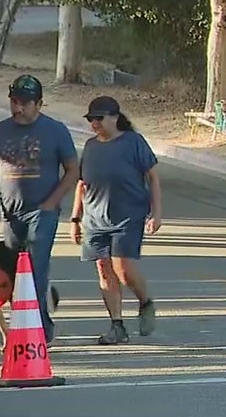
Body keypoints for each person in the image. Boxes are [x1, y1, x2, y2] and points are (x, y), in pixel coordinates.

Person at [0, 74, 79, 345]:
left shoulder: (55, 131)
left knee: (35, 269)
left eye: (25, 103)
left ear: (39, 103)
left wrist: (51, 203)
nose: (18, 108)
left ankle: (39, 332)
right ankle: (23, 325)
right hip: (10, 214)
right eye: (14, 102)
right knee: (11, 273)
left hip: (41, 213)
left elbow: (72, 169)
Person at [70, 95, 162, 345]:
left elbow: (152, 177)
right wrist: (75, 218)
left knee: (123, 268)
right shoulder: (90, 146)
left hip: (128, 215)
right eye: (91, 119)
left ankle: (145, 302)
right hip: (95, 218)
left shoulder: (134, 142)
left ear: (114, 117)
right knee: (103, 268)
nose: (94, 123)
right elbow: (82, 184)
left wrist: (157, 213)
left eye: (98, 118)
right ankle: (117, 325)